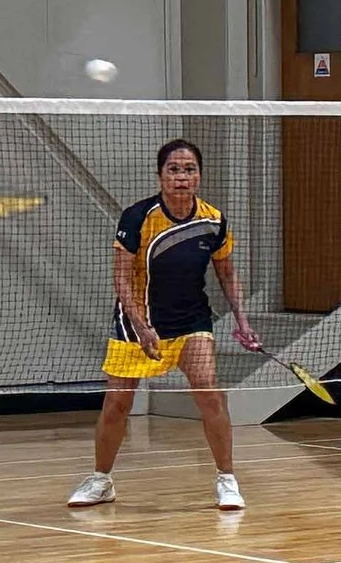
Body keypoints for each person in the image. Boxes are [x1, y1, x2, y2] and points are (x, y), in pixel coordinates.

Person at [69, 138, 261, 512]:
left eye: (189, 169)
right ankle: (101, 480)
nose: (181, 177)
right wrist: (141, 325)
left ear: (199, 176)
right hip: (136, 324)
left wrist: (241, 318)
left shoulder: (214, 220)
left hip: (192, 321)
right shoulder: (138, 217)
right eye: (173, 169)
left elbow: (226, 271)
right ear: (160, 175)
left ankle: (227, 479)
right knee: (116, 406)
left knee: (209, 392)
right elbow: (121, 279)